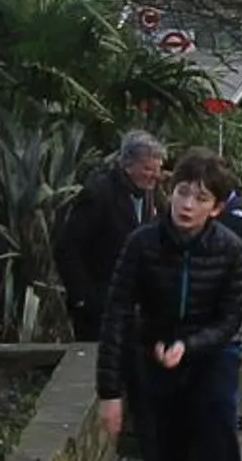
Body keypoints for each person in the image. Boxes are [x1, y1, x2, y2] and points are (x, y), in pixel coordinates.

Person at [94, 149, 242, 461]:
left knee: (214, 421)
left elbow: (233, 314)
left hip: (209, 352)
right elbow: (116, 314)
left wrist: (191, 345)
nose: (187, 205)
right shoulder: (142, 243)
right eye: (183, 193)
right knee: (165, 444)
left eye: (201, 198)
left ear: (216, 208)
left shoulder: (230, 249)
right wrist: (109, 392)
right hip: (155, 350)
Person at [55, 131, 167, 342]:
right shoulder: (98, 194)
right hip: (99, 309)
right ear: (128, 165)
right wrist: (83, 299)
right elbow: (67, 247)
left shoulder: (150, 195)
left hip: (134, 310)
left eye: (158, 169)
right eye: (148, 169)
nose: (155, 175)